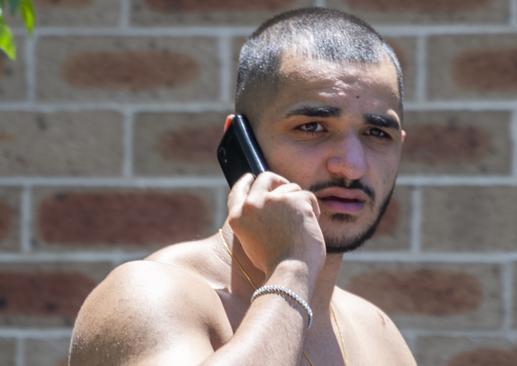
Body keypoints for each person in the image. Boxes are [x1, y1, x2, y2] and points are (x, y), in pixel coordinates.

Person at [69, 7, 416, 366]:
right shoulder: (151, 293)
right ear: (241, 141)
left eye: (377, 133)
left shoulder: (379, 334)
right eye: (312, 127)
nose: (351, 165)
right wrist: (292, 268)